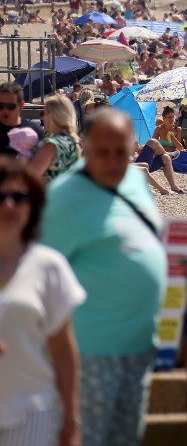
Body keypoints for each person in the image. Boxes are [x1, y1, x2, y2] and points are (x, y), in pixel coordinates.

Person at [39, 109, 166, 446]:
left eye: (121, 152)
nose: (112, 161)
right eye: (102, 152)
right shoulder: (64, 198)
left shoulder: (136, 182)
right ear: (85, 147)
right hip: (90, 353)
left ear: (133, 148)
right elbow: (37, 274)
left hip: (139, 347)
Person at [0, 159, 85, 446]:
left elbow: (63, 348)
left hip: (31, 413)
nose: (9, 205)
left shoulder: (49, 266)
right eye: (1, 196)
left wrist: (72, 417)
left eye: (19, 197)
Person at [26, 95, 80, 182]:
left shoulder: (50, 145)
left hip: (46, 194)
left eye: (43, 113)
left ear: (53, 115)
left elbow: (29, 178)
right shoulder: (74, 141)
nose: (42, 117)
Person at [0, 82, 44, 158]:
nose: (5, 110)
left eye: (11, 106)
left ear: (21, 106)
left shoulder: (34, 132)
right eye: (0, 106)